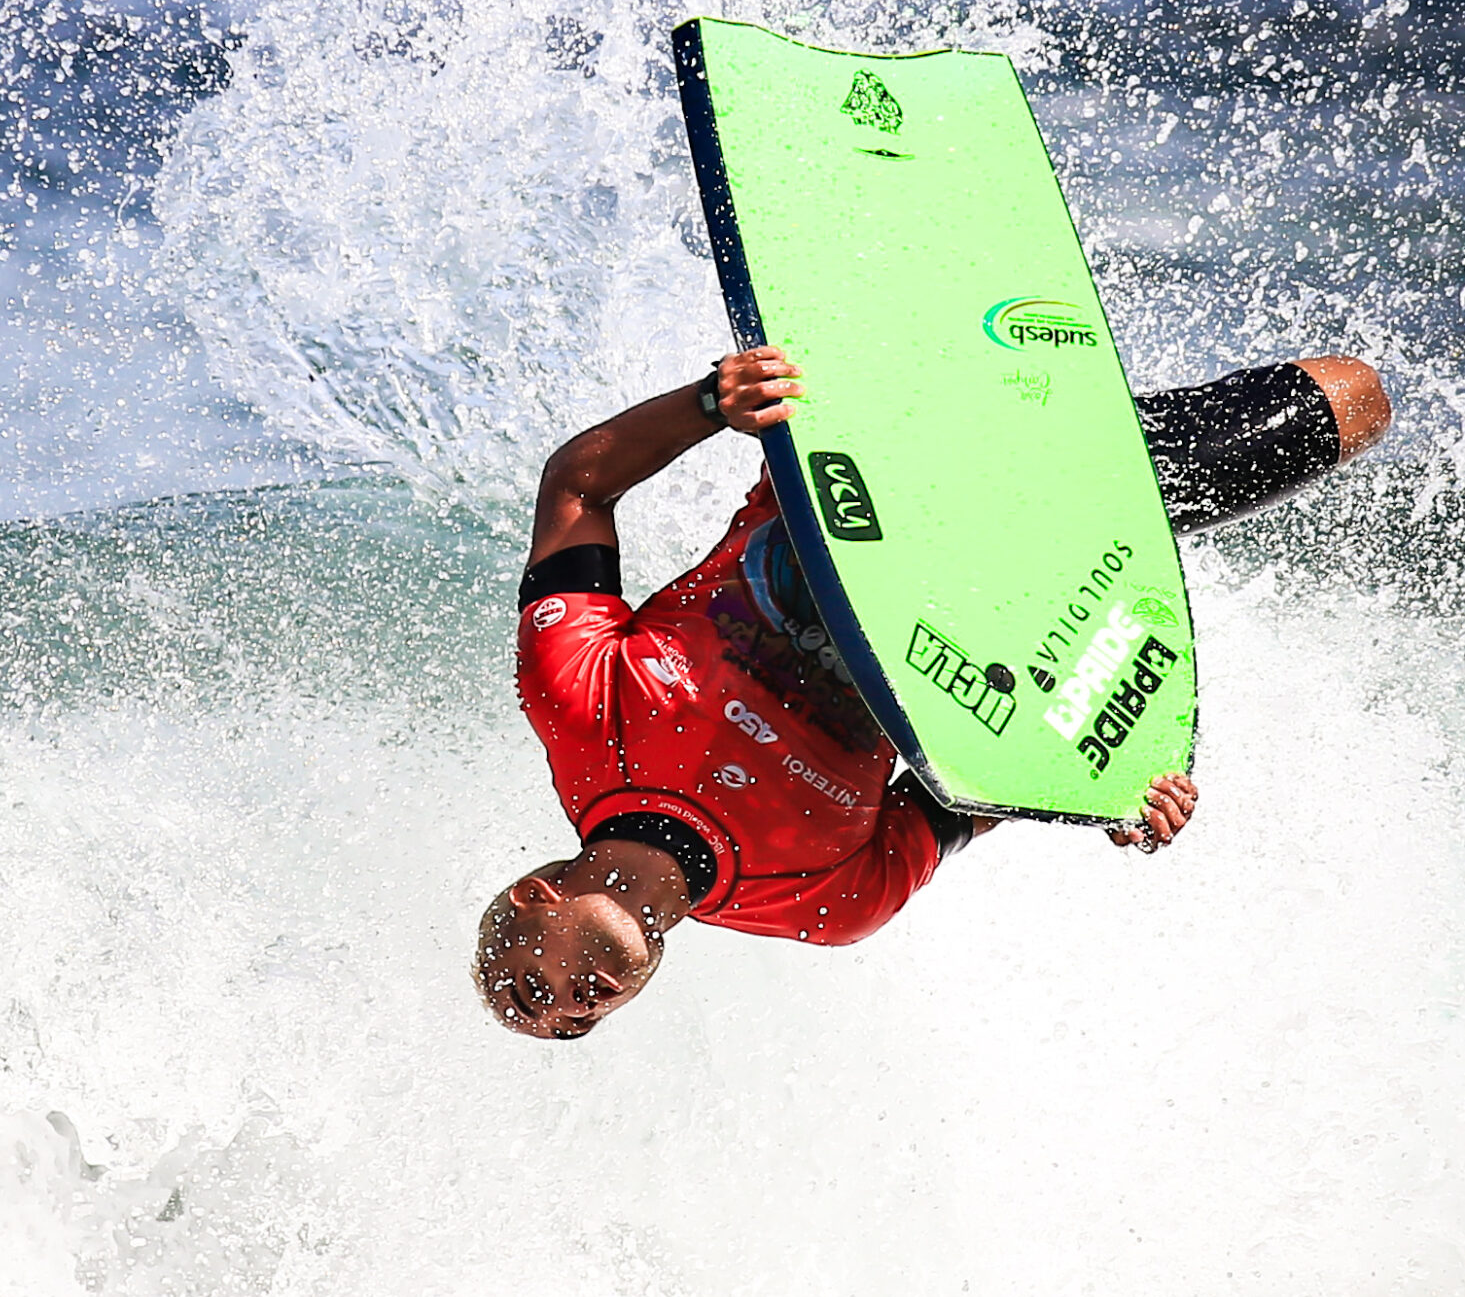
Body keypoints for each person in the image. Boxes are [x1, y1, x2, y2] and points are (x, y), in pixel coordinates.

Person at [474, 348, 1391, 1040]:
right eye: (575, 1030)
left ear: (534, 896)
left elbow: (579, 486)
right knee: (1349, 399)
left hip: (879, 451)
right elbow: (985, 789)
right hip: (1041, 539)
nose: (566, 1018)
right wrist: (1099, 786)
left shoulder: (580, 709)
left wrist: (713, 403)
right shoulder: (825, 904)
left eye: (530, 993)